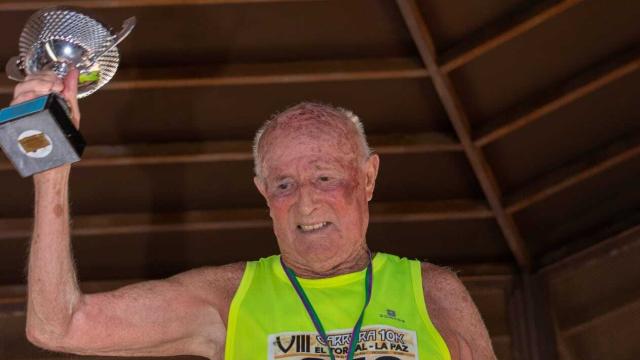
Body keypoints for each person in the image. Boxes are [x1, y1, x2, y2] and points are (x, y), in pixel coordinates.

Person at [14, 70, 496, 360]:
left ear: (368, 178)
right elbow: (58, 325)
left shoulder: (434, 291)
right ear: (263, 194)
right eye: (284, 185)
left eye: (326, 177)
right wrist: (50, 169)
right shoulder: (227, 299)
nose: (306, 203)